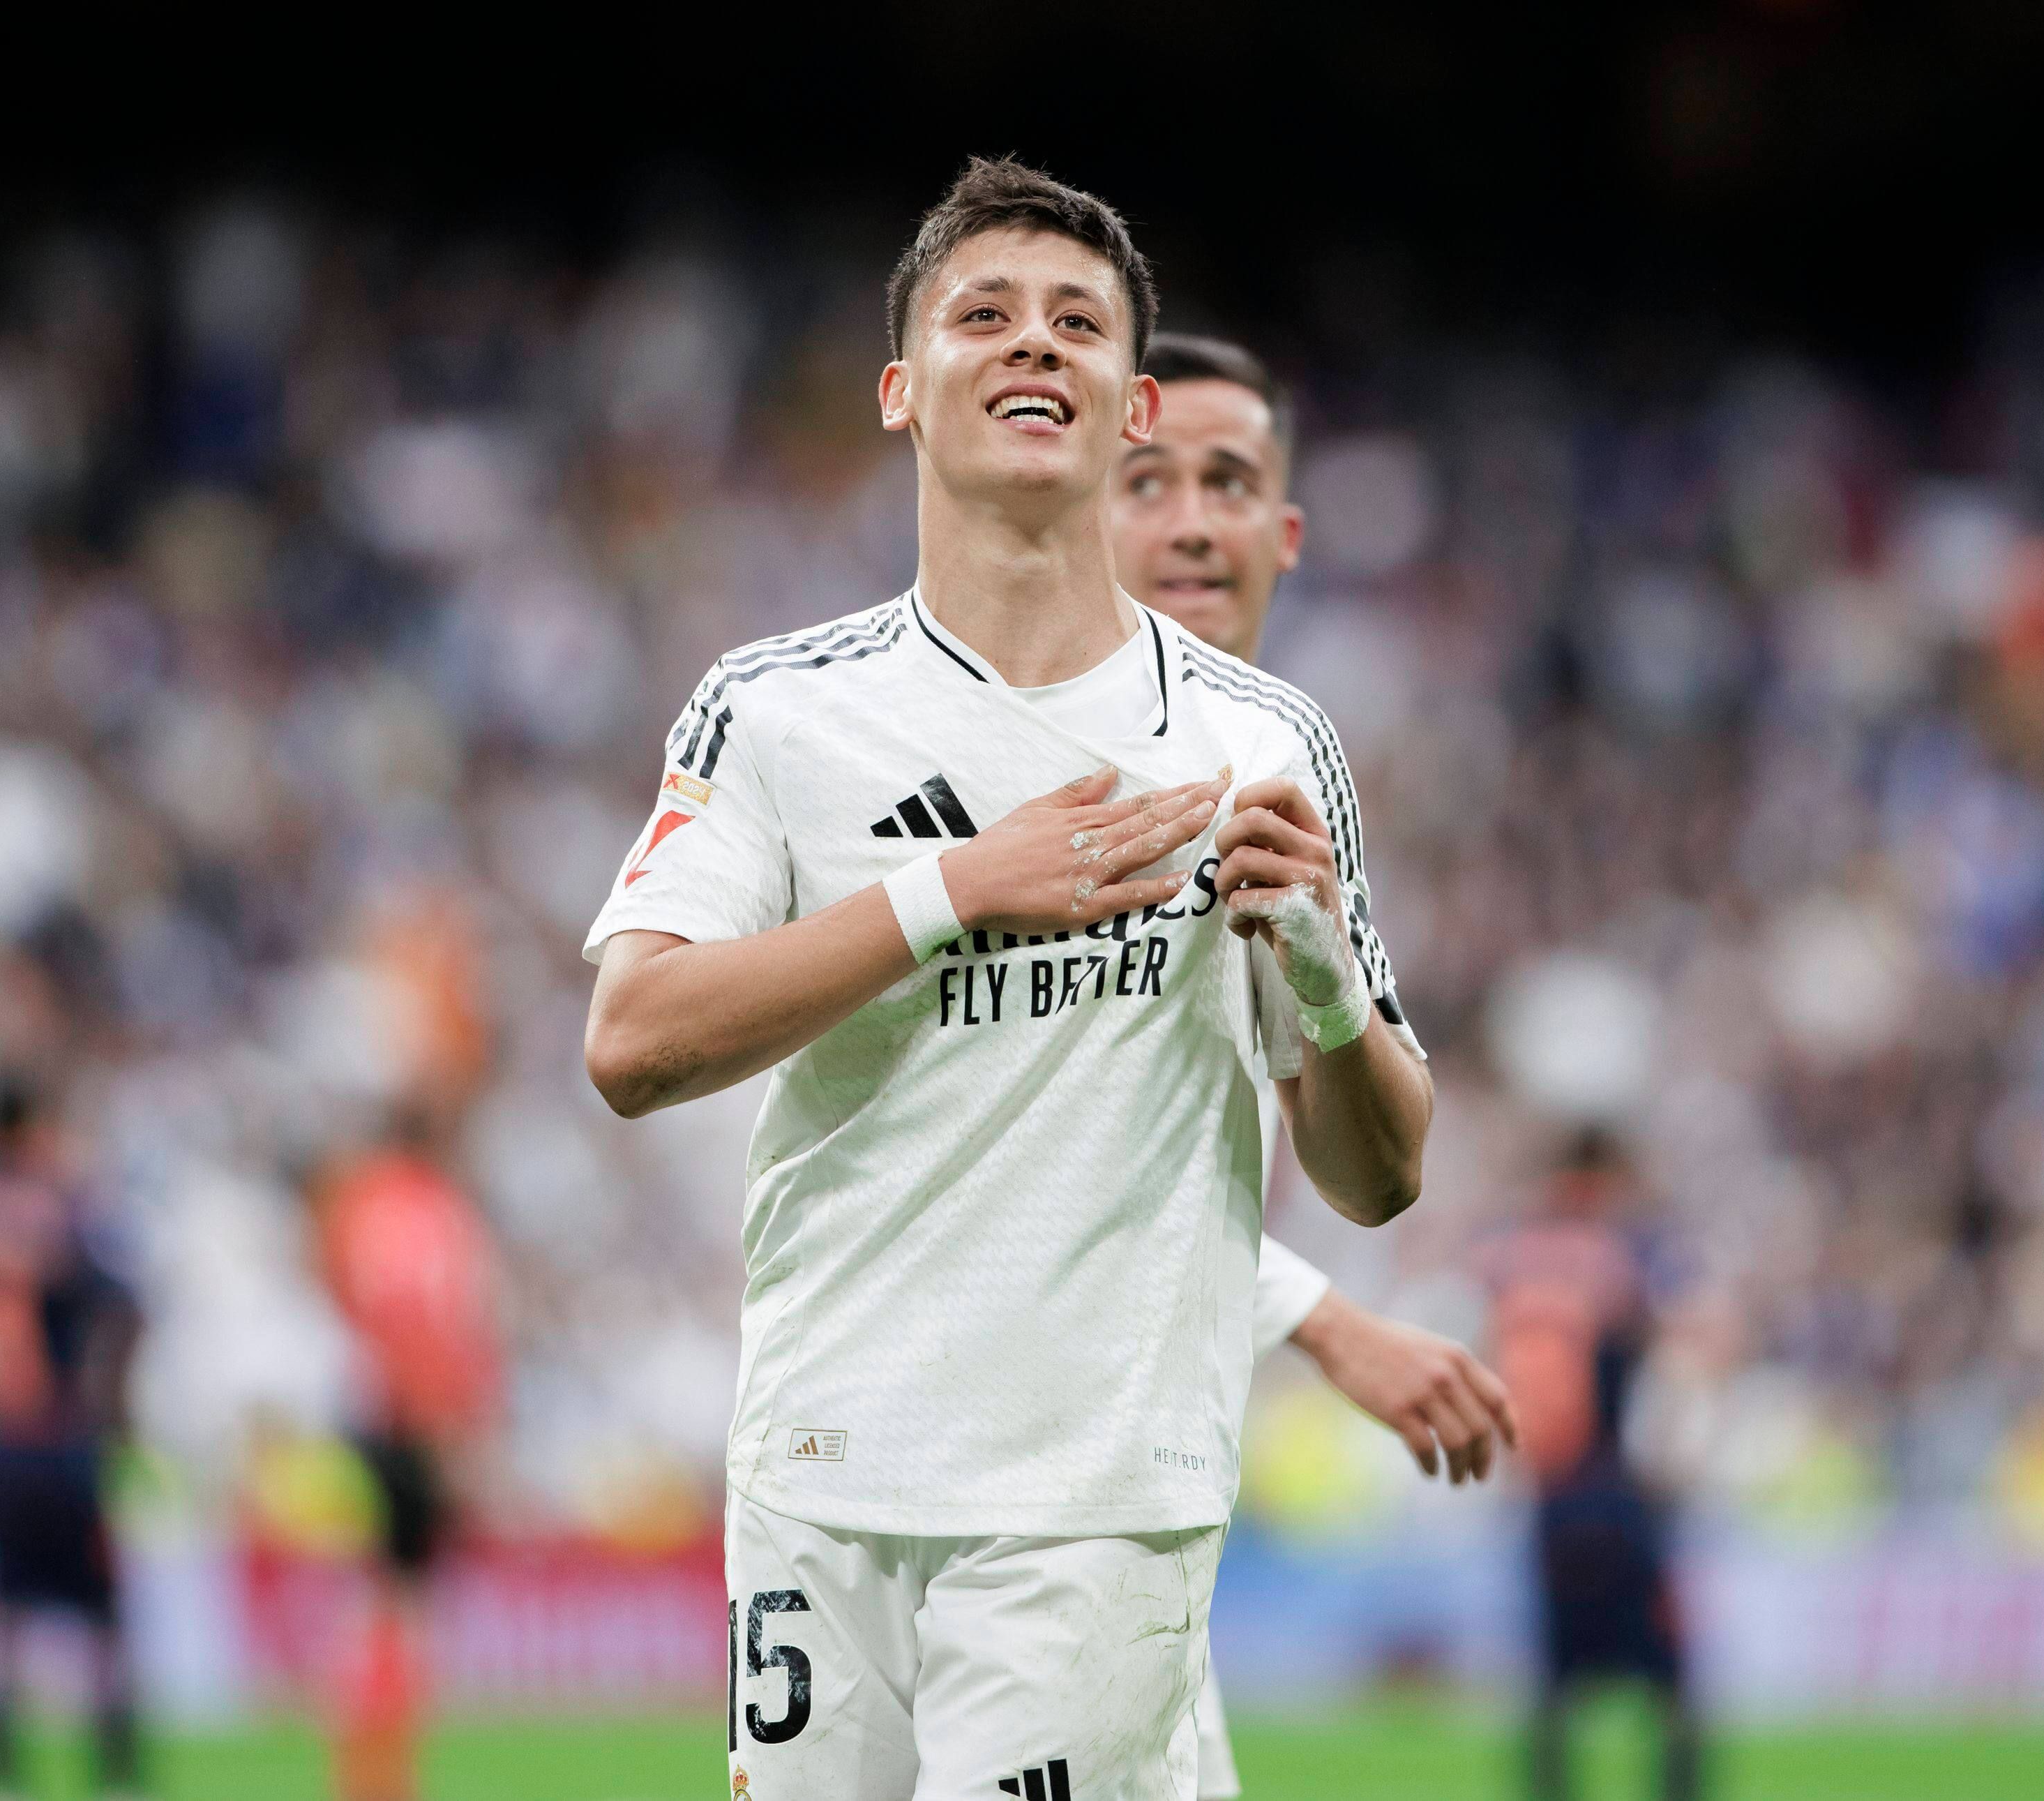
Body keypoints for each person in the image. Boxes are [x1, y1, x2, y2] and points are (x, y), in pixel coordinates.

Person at [582, 156, 1433, 1801]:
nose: (1032, 344)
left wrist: (1324, 976)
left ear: (1127, 412)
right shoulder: (773, 713)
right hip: (818, 1477)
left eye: (1078, 324)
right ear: (905, 390)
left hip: (1094, 1500)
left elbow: (1380, 1175)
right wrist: (955, 889)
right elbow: (631, 1039)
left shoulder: (1260, 740)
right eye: (985, 315)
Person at [1115, 330, 1520, 1800]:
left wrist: (1326, 976)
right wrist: (1323, 1321)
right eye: (1143, 478)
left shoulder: (1280, 765)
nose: (1192, 520)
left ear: (1284, 533)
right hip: (929, 1510)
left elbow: (1379, 1175)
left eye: (1229, 482)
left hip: (1134, 1519)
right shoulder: (994, 752)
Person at [0, 1073, 144, 1801]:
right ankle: (115, 1768)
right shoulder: (60, 1205)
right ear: (25, 1131)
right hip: (59, 1431)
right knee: (105, 1609)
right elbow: (122, 1300)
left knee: (3, 1606)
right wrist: (106, 1397)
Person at [1487, 1128, 1699, 1801]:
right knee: (1672, 1681)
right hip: (1619, 1493)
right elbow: (1677, 1365)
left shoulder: (1517, 1259)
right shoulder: (1627, 1254)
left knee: (1553, 1685)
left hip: (1551, 1499)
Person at [310, 1114, 504, 1801]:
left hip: (364, 1415)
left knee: (370, 1599)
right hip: (420, 1423)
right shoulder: (446, 1214)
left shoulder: (357, 1201)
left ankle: (358, 1763)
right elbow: (457, 1322)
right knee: (408, 1604)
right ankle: (390, 1772)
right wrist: (459, 1428)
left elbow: (334, 1290)